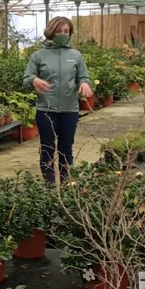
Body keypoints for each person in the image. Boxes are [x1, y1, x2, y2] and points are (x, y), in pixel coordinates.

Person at [23, 16, 93, 183]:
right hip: (46, 110)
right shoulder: (38, 56)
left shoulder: (76, 55)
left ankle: (65, 182)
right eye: (59, 31)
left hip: (70, 110)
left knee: (66, 148)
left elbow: (84, 77)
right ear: (51, 32)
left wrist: (84, 84)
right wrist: (34, 80)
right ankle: (49, 185)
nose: (63, 34)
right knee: (47, 148)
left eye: (66, 31)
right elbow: (26, 80)